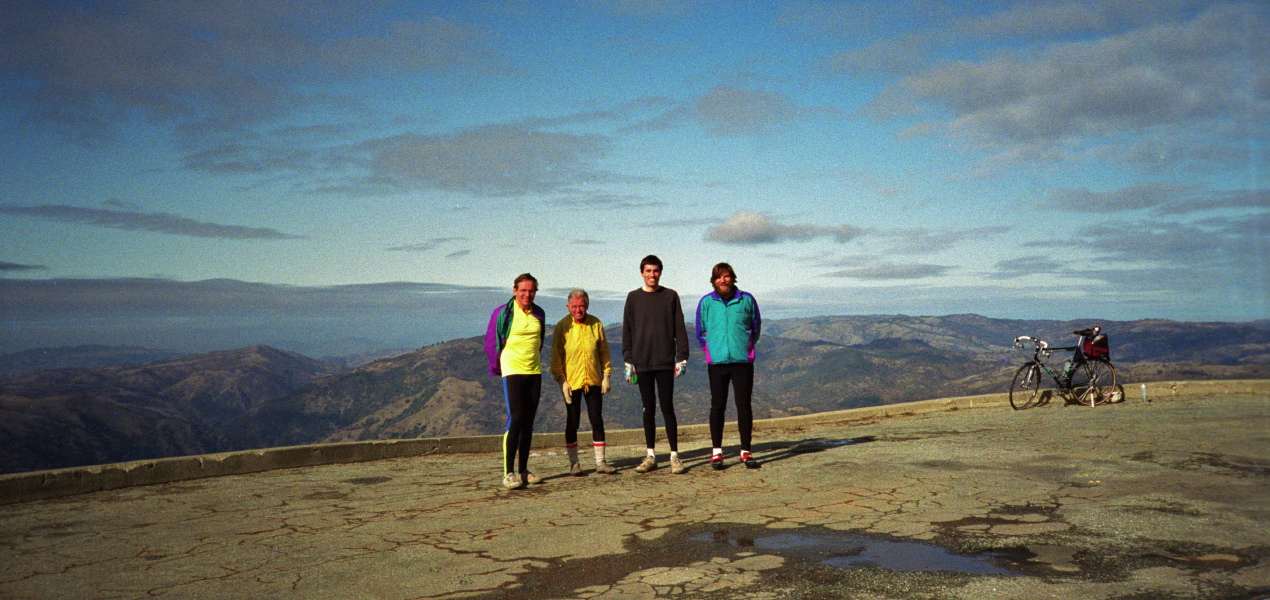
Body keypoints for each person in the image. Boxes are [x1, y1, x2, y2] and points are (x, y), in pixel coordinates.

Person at [622, 255, 690, 474]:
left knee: (667, 407)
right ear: (642, 273)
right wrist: (628, 359)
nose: (652, 275)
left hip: (665, 361)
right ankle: (650, 455)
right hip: (641, 362)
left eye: (656, 270)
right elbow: (627, 330)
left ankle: (674, 456)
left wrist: (682, 357)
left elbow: (680, 328)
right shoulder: (633, 297)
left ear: (660, 272)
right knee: (648, 409)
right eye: (648, 271)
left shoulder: (670, 296)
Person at [695, 262, 762, 469]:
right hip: (717, 363)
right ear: (713, 280)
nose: (722, 280)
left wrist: (745, 347)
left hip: (742, 362)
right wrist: (711, 350)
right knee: (718, 405)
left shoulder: (747, 300)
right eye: (718, 277)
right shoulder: (706, 302)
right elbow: (700, 331)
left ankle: (746, 451)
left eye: (726, 276)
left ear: (733, 278)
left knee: (744, 405)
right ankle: (716, 453)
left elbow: (755, 327)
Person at [485, 273, 546, 490]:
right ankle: (508, 473)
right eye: (523, 290)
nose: (527, 294)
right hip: (512, 370)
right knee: (516, 418)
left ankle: (524, 470)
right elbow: (491, 342)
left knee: (528, 421)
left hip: (534, 371)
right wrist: (498, 366)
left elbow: (539, 341)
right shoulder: (503, 313)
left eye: (531, 291)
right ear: (515, 291)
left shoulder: (539, 313)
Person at [550, 290, 616, 476]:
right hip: (572, 382)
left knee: (597, 420)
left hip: (593, 380)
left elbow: (604, 351)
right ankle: (574, 464)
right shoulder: (562, 326)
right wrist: (561, 381)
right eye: (574, 307)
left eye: (581, 306)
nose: (578, 310)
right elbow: (556, 356)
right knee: (573, 421)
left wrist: (606, 375)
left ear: (587, 306)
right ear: (568, 307)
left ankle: (600, 462)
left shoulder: (596, 324)